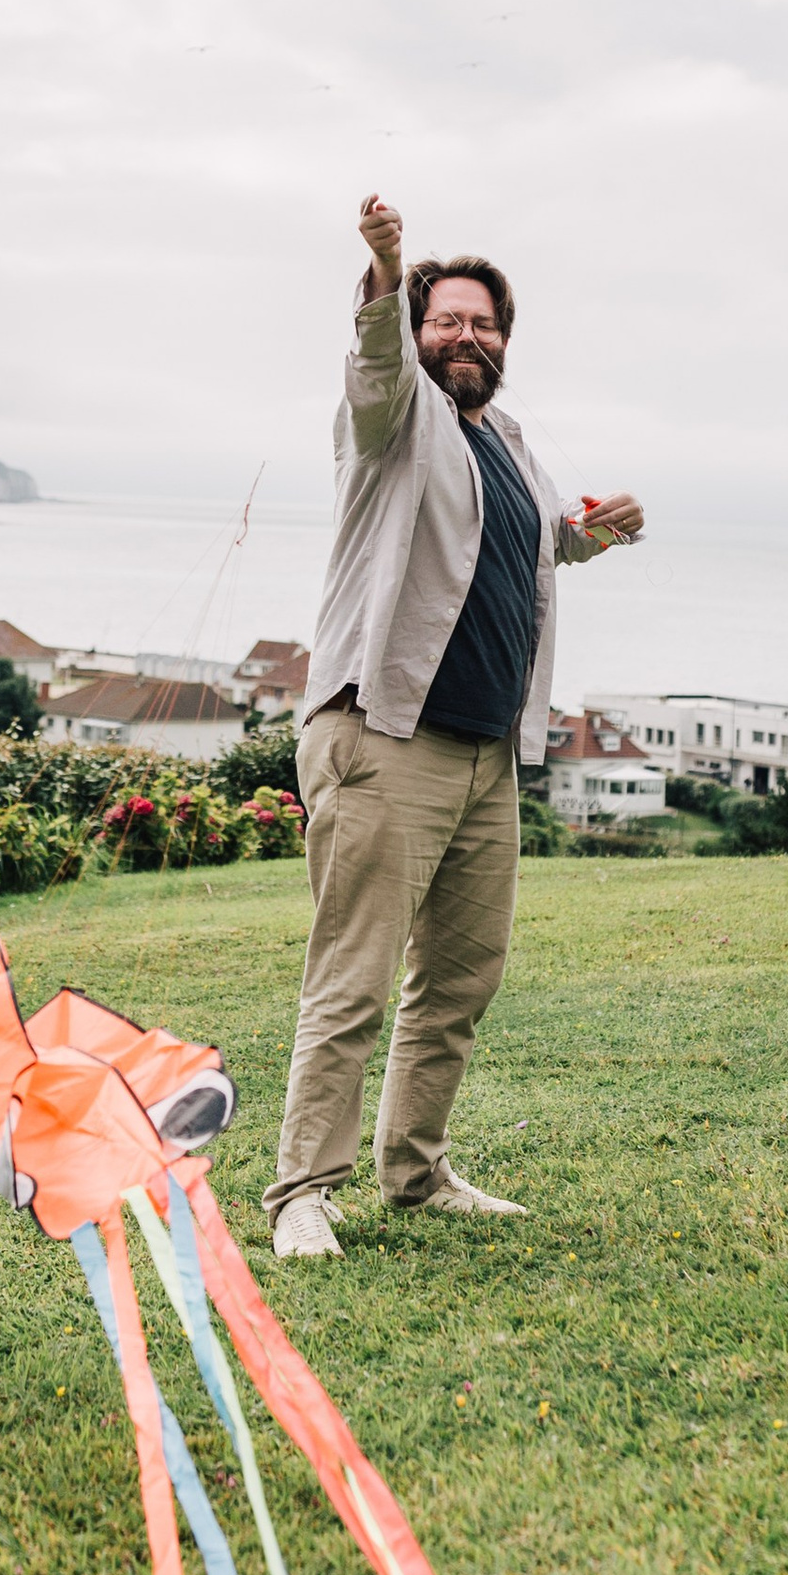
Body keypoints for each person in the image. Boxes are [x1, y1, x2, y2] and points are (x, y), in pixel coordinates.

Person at [268, 194, 644, 1260]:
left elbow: (517, 552)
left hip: (486, 754)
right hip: (385, 737)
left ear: (505, 343)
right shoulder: (390, 419)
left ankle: (416, 1172)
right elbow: (376, 367)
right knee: (353, 974)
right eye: (447, 321)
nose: (464, 337)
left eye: (483, 324)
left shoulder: (508, 445)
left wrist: (592, 536)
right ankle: (304, 1191)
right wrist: (387, 273)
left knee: (459, 976)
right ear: (419, 332)